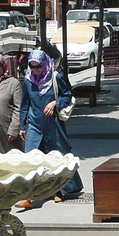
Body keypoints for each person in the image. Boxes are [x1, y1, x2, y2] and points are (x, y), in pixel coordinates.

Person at [17, 49, 82, 207]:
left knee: (57, 156)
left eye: (38, 66)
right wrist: (22, 126)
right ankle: (28, 196)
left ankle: (61, 190)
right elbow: (25, 104)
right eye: (32, 67)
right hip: (34, 124)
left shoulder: (56, 77)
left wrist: (55, 103)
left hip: (52, 124)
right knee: (30, 159)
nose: (36, 70)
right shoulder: (28, 80)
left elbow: (67, 95)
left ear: (44, 63)